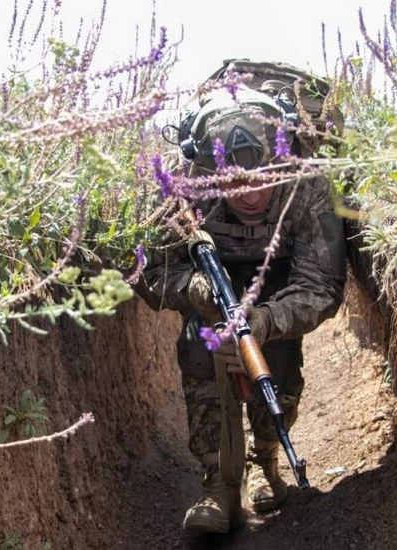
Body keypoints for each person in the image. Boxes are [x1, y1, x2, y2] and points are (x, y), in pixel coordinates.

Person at [137, 85, 346, 534]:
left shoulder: (307, 185)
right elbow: (147, 272)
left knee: (281, 364)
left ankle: (266, 459)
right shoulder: (180, 187)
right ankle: (218, 482)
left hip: (279, 286)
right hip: (210, 291)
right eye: (233, 183)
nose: (250, 196)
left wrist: (267, 320)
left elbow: (322, 285)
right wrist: (193, 289)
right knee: (198, 348)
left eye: (262, 179)